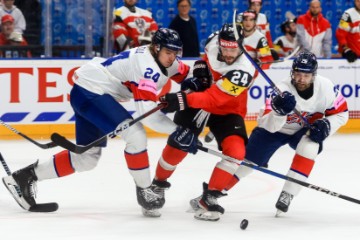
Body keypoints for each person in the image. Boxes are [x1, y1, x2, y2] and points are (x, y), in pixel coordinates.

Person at [2, 28, 195, 217]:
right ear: (155, 48)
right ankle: (145, 191)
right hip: (90, 91)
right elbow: (150, 117)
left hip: (89, 91)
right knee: (135, 135)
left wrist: (200, 75)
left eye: (175, 53)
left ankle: (24, 177)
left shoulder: (166, 61)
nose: (171, 57)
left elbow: (189, 73)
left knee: (86, 159)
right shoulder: (146, 67)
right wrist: (178, 131)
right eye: (168, 52)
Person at [191, 51, 349, 218]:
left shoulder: (327, 88)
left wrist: (327, 125)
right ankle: (212, 194)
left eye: (306, 75)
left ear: (314, 75)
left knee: (309, 147)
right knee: (248, 162)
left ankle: (288, 193)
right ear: (292, 72)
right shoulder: (280, 90)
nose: (301, 79)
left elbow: (342, 113)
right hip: (276, 130)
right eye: (297, 74)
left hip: (304, 130)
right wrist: (279, 112)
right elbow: (268, 125)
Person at [151, 23, 256, 221]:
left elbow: (215, 99)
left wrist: (182, 99)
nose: (228, 53)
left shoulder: (244, 71)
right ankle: (157, 185)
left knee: (236, 153)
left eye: (233, 49)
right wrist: (199, 70)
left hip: (227, 107)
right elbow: (205, 58)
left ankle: (209, 196)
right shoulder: (213, 41)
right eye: (224, 48)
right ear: (219, 43)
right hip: (201, 98)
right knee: (179, 143)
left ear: (241, 45)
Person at [204, 9, 273, 144]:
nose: (248, 23)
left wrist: (259, 64)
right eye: (245, 20)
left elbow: (267, 61)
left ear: (255, 22)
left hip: (244, 71)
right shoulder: (230, 35)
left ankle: (229, 126)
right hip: (224, 68)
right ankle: (216, 124)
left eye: (251, 20)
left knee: (237, 102)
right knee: (218, 96)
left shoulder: (261, 39)